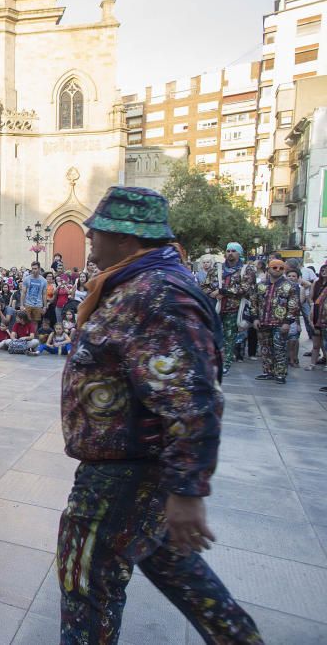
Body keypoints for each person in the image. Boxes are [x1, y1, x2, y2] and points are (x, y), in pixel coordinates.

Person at [58, 186, 262, 644]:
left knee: (85, 581)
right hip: (137, 472)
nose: (89, 234)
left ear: (128, 240)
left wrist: (187, 491)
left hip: (124, 476)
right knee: (179, 572)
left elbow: (191, 397)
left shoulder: (156, 294)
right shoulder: (135, 283)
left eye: (99, 229)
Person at [250, 258, 300, 384]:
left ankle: (280, 373)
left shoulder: (290, 286)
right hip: (263, 322)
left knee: (279, 348)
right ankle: (268, 371)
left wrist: (287, 322)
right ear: (268, 269)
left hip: (280, 323)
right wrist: (255, 318)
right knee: (265, 348)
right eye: (274, 267)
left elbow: (293, 305)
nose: (278, 270)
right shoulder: (261, 285)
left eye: (281, 268)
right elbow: (254, 302)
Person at [210, 242, 251, 375]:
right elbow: (205, 285)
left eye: (233, 251)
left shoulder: (246, 269)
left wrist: (222, 291)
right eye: (228, 251)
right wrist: (210, 292)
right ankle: (213, 361)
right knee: (213, 336)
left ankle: (226, 364)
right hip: (216, 308)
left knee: (230, 337)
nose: (230, 253)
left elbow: (245, 288)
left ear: (239, 253)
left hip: (234, 309)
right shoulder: (217, 268)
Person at [309, 264, 327, 370]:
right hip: (316, 312)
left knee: (325, 342)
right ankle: (312, 364)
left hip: (325, 316)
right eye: (323, 270)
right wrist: (312, 307)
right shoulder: (316, 283)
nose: (324, 271)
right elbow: (311, 298)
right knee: (316, 342)